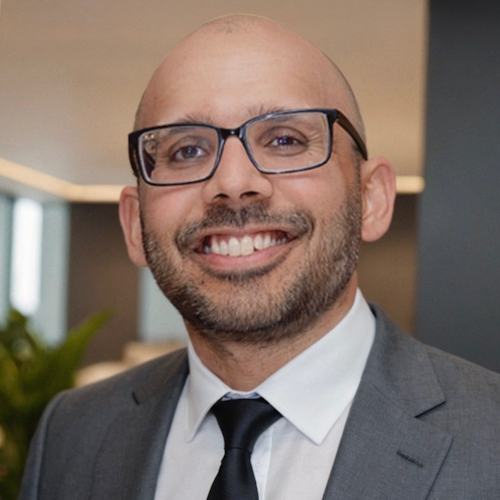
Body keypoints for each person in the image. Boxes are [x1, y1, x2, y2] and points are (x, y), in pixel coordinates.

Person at [20, 14, 500, 500]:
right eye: (187, 151)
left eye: (285, 140)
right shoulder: (71, 434)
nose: (232, 183)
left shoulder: (490, 437)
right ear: (135, 225)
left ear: (371, 199)